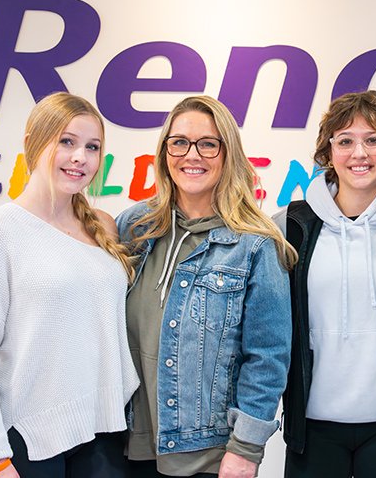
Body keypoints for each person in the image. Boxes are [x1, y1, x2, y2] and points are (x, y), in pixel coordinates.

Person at [0, 92, 140, 478]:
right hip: (30, 439)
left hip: (105, 433)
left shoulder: (102, 225)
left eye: (92, 147)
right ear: (32, 143)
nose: (80, 158)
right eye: (66, 142)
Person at [116, 95, 295, 478]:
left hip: (207, 455)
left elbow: (267, 358)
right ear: (165, 151)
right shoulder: (134, 228)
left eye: (207, 144)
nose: (191, 155)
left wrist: (246, 449)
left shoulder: (256, 244)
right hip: (127, 443)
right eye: (179, 142)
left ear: (227, 154)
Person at [276, 90, 376, 478]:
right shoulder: (290, 226)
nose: (359, 153)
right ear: (329, 153)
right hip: (312, 426)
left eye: (373, 140)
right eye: (345, 141)